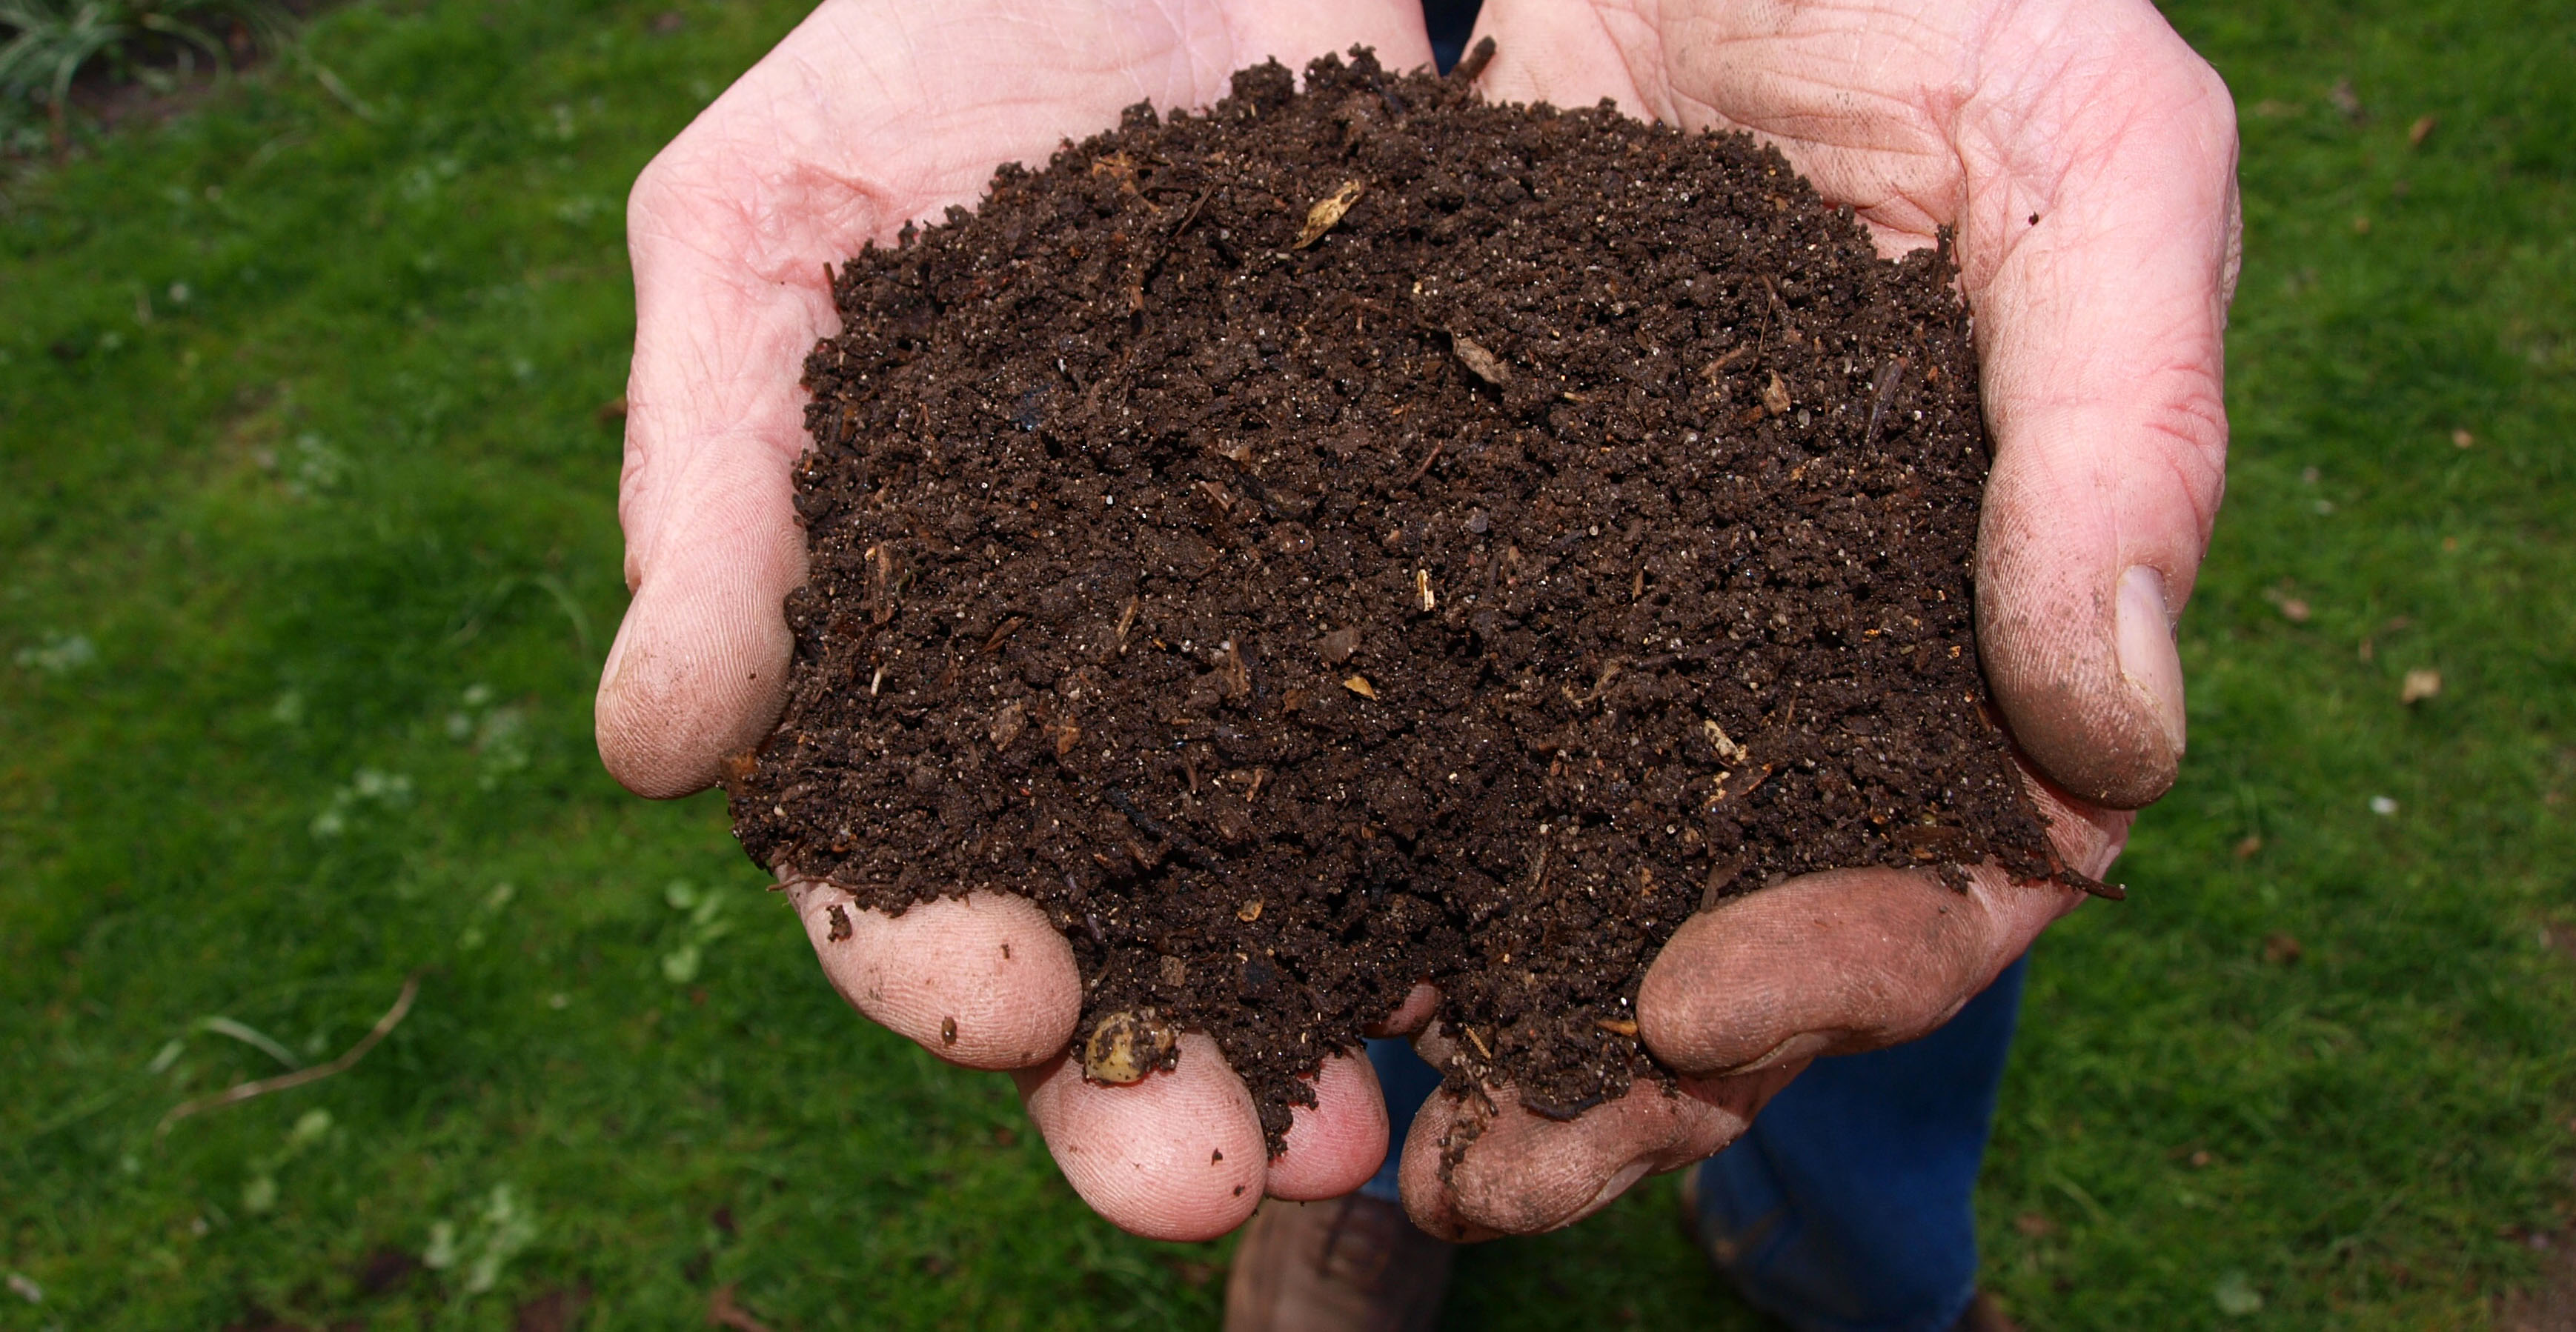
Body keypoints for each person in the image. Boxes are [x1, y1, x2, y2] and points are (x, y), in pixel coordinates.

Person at [595, 1, 2238, 1327]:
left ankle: (1850, 1258)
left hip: (1693, 78)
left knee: (1867, 897)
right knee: (1362, 911)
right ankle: (1374, 1200)